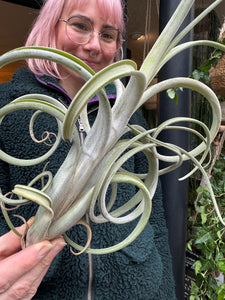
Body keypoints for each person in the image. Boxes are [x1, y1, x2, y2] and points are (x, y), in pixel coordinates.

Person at [0, 0, 176, 299]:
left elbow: (153, 214)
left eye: (108, 35)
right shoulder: (8, 104)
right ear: (51, 26)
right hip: (37, 285)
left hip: (136, 286)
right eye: (80, 26)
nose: (94, 45)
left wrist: (166, 290)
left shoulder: (128, 114)